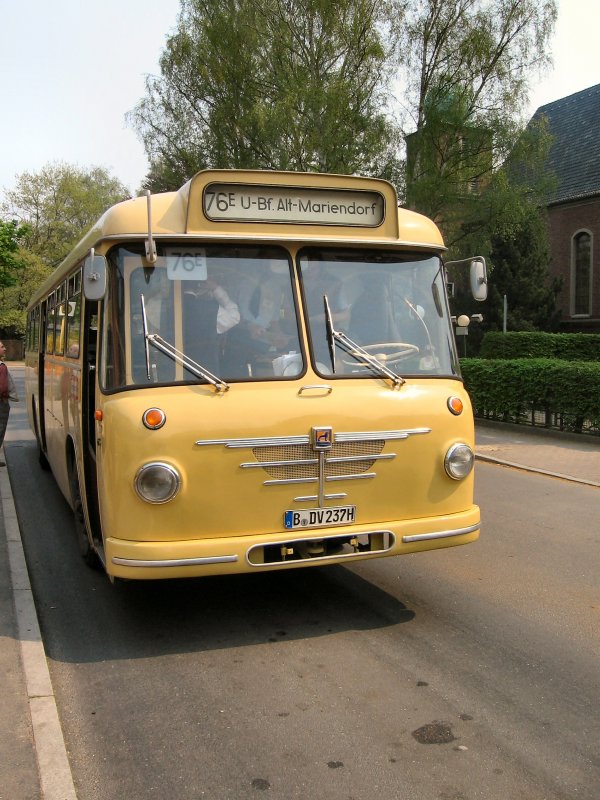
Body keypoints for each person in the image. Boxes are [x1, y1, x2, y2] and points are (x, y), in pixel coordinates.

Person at [0, 341, 18, 466]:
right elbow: (3, 387)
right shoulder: (2, 367)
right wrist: (5, 398)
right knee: (0, 429)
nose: (5, 349)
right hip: (1, 403)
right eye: (1, 347)